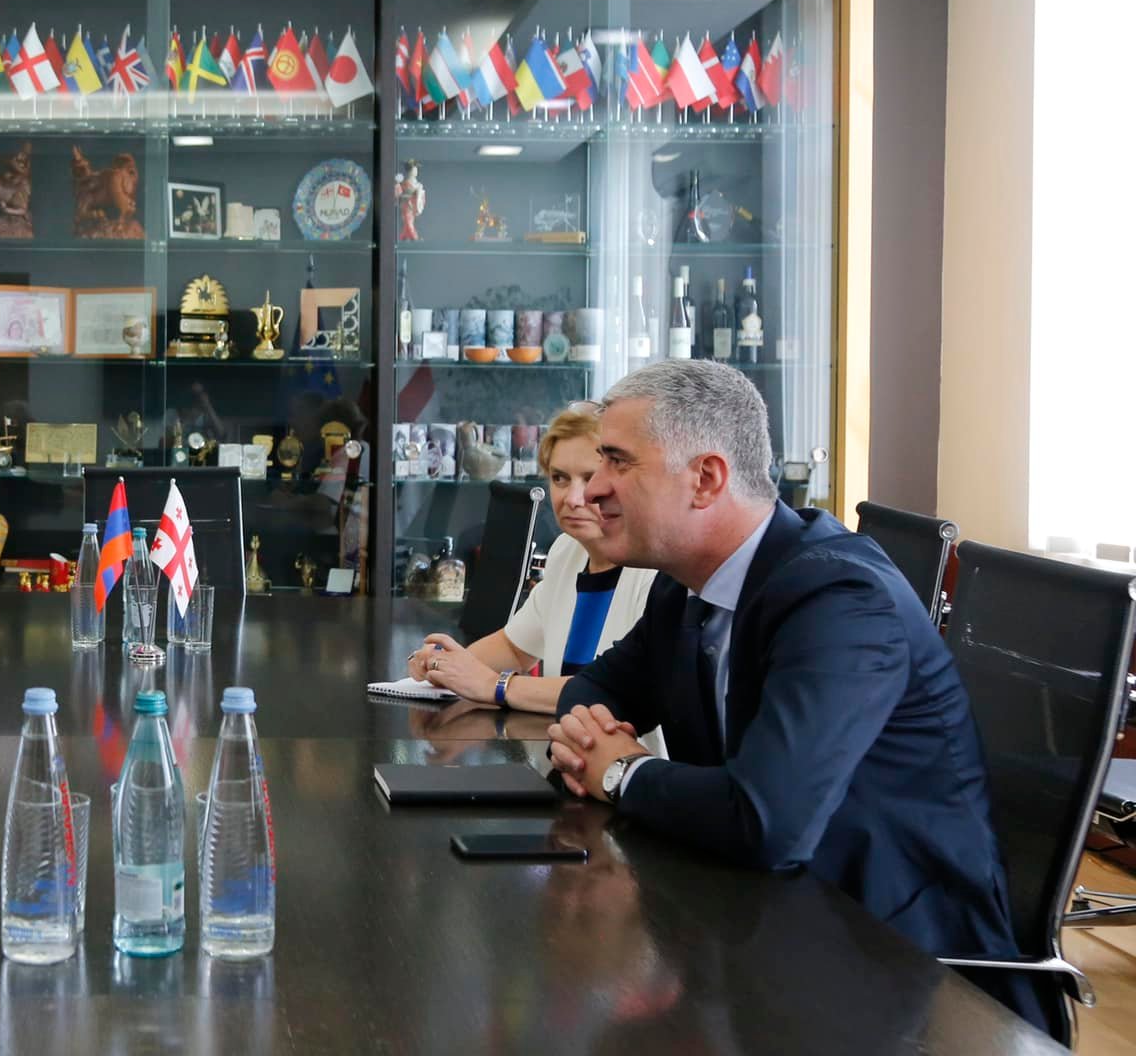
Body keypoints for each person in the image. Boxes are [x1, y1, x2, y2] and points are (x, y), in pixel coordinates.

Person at [543, 360, 1038, 1030]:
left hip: (900, 975)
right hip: (760, 920)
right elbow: (596, 687)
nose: (595, 487)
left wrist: (621, 772)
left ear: (706, 479)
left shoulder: (839, 598)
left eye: (617, 462)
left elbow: (764, 819)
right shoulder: (685, 582)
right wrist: (589, 742)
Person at [403, 405, 657, 718]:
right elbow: (514, 648)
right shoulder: (567, 551)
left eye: (590, 478)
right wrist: (443, 665)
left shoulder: (656, 570)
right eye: (560, 478)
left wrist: (495, 686)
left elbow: (614, 692)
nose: (572, 498)